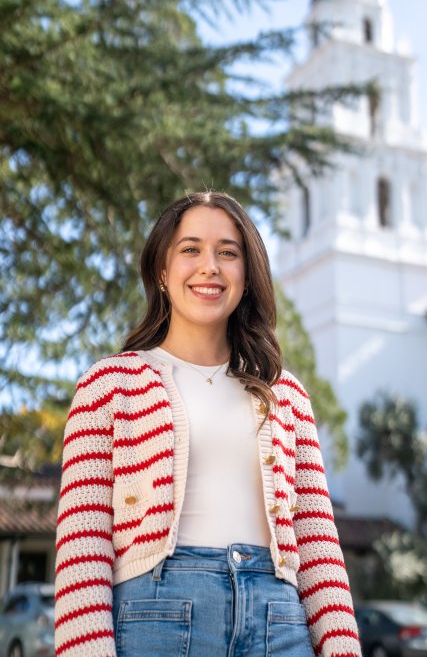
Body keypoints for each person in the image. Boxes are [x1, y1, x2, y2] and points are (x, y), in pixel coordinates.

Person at [54, 191, 361, 657]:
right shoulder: (108, 385)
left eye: (228, 253)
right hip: (154, 621)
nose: (210, 266)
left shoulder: (286, 395)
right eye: (190, 249)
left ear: (247, 275)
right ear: (161, 269)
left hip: (279, 622)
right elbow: (83, 546)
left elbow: (318, 546)